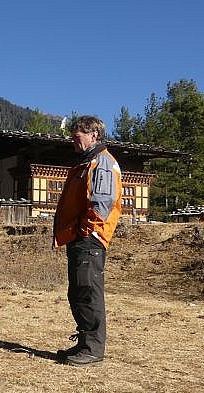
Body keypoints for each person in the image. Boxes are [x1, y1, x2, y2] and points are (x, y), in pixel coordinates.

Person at [53, 115, 123, 366]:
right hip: (80, 236)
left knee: (88, 290)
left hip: (90, 238)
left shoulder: (101, 162)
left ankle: (93, 348)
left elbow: (102, 202)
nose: (73, 140)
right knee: (78, 290)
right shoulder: (86, 162)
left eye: (77, 136)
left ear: (94, 135)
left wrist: (86, 230)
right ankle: (85, 343)